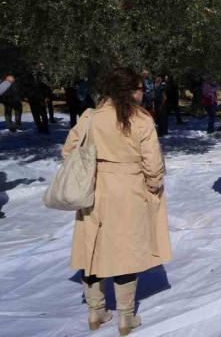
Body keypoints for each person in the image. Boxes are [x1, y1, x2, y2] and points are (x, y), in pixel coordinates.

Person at [62, 67, 170, 336]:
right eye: (141, 89)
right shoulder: (141, 120)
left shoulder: (91, 117)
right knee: (126, 251)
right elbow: (153, 165)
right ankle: (125, 317)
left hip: (94, 190)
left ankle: (95, 311)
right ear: (131, 90)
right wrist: (154, 187)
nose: (143, 94)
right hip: (129, 190)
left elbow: (68, 153)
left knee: (93, 247)